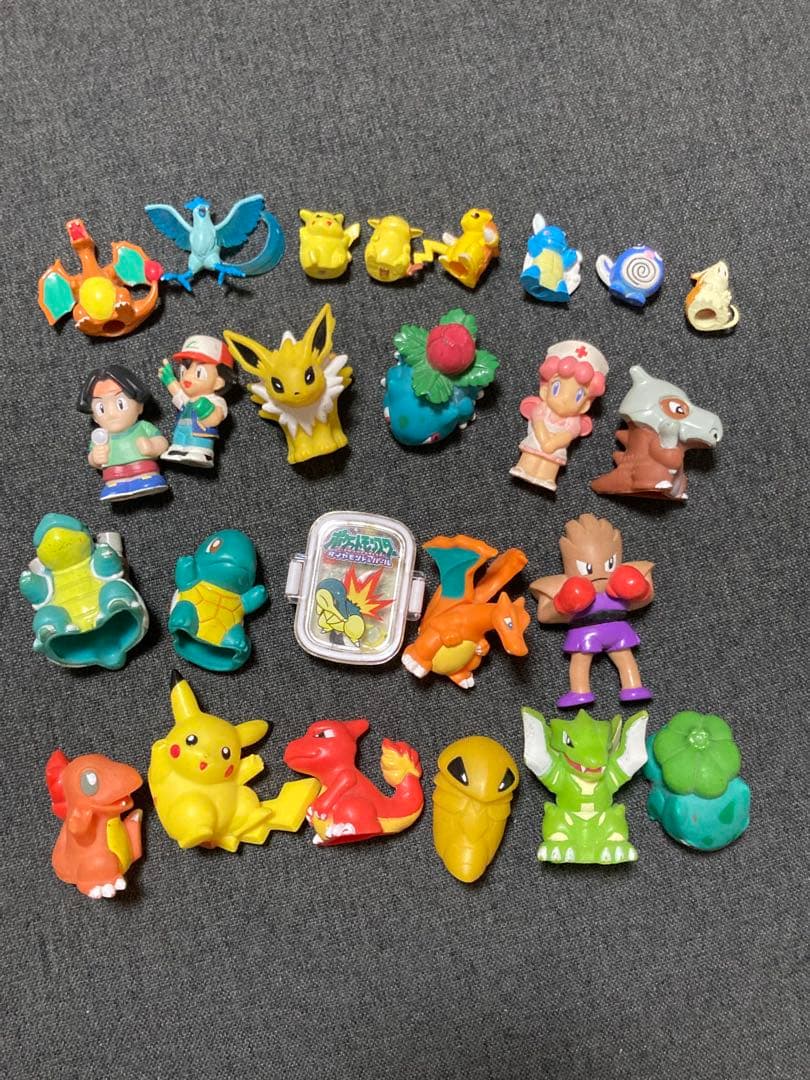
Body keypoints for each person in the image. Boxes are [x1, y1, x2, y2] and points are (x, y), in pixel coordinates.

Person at [77, 366, 168, 502]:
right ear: (94, 417)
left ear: (139, 406)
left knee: (145, 474)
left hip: (143, 467)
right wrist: (95, 458)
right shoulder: (101, 437)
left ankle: (147, 479)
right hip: (114, 473)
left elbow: (162, 442)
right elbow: (92, 458)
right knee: (113, 478)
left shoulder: (143, 427)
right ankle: (116, 486)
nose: (111, 413)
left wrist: (152, 447)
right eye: (101, 408)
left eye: (120, 404)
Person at [158, 335, 235, 467]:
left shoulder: (215, 400)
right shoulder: (187, 398)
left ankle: (201, 452)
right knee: (179, 438)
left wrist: (205, 409)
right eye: (184, 370)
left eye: (199, 372)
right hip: (182, 428)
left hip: (199, 434)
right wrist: (170, 380)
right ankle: (177, 449)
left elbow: (215, 419)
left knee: (196, 442)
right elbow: (178, 393)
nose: (187, 376)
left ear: (218, 382)